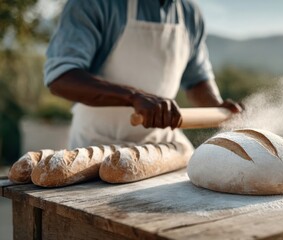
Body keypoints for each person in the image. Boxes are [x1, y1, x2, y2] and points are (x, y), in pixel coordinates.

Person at [44, 0, 242, 150]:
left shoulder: (189, 13)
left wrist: (218, 107)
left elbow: (197, 80)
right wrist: (133, 96)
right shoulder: (94, 4)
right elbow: (61, 77)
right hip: (98, 146)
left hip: (163, 146)